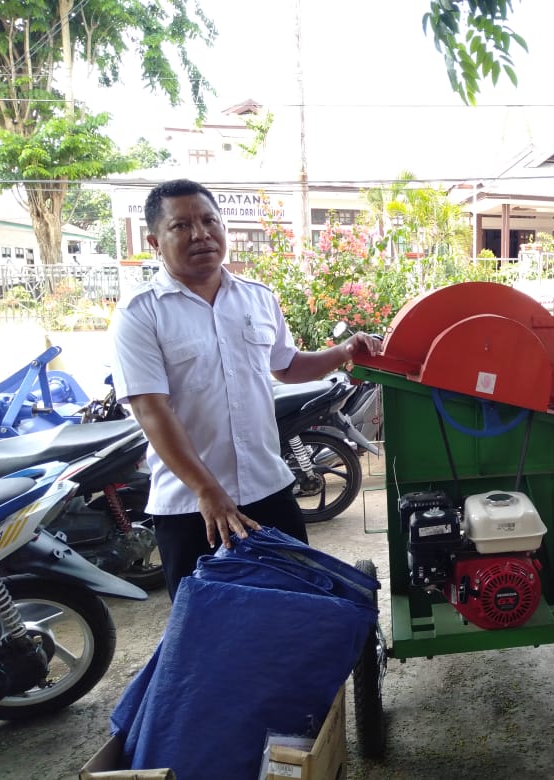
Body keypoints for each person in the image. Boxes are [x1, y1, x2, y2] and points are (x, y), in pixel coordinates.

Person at [111, 178, 382, 600]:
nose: (200, 234)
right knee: (208, 628)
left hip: (267, 489)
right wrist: (208, 491)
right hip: (192, 507)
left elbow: (288, 366)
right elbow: (151, 410)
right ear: (154, 241)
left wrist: (344, 351)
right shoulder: (140, 314)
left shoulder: (257, 299)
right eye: (181, 226)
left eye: (209, 221)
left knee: (294, 607)